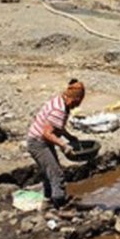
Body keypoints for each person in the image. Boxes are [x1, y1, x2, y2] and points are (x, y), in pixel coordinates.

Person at [27, 79, 85, 209]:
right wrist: (63, 144)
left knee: (50, 173)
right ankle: (60, 204)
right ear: (72, 99)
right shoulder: (59, 109)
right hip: (38, 143)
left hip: (40, 140)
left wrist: (69, 136)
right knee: (57, 174)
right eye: (76, 104)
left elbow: (56, 127)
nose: (76, 107)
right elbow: (47, 133)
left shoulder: (61, 101)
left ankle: (48, 201)